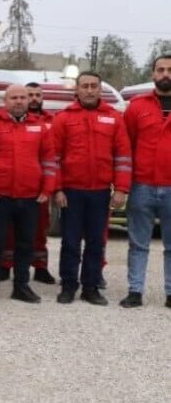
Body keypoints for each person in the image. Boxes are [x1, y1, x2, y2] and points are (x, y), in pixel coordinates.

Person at [51, 72, 130, 306]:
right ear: (77, 90)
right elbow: (53, 158)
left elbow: (123, 156)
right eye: (84, 86)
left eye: (93, 86)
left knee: (96, 242)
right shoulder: (63, 118)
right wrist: (57, 189)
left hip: (100, 191)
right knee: (70, 241)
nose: (89, 90)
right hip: (71, 192)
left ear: (100, 89)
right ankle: (68, 286)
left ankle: (91, 287)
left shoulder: (114, 118)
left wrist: (121, 188)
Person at [0, 84, 55, 304]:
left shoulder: (40, 126)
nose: (19, 101)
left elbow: (48, 160)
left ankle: (21, 286)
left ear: (28, 101)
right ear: (5, 101)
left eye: (23, 97)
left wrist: (47, 188)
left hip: (30, 196)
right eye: (14, 98)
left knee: (26, 244)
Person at [121, 54, 171, 309]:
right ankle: (135, 291)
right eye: (160, 70)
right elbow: (125, 145)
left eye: (170, 70)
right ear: (152, 74)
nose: (165, 74)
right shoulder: (137, 106)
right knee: (138, 244)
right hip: (142, 185)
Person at [1, 82, 58, 283]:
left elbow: (52, 156)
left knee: (40, 228)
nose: (33, 99)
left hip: (39, 186)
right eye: (30, 94)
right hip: (14, 185)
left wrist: (51, 185)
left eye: (37, 95)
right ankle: (5, 265)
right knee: (9, 229)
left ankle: (40, 267)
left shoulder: (51, 121)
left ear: (42, 98)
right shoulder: (7, 121)